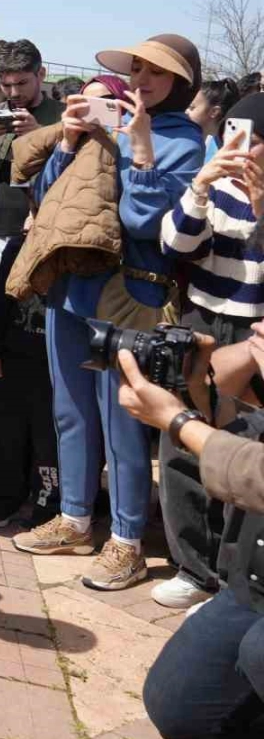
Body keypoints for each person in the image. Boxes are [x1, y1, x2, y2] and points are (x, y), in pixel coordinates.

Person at [12, 34, 203, 590]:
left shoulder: (185, 142)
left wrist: (140, 150)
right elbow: (50, 197)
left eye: (157, 73)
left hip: (131, 297)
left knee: (123, 424)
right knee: (70, 411)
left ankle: (127, 541)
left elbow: (146, 224)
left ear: (181, 83)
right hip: (70, 287)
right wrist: (69, 141)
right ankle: (75, 519)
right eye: (137, 70)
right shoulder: (107, 125)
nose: (142, 81)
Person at [113, 326, 264, 739]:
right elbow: (242, 421)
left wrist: (178, 422)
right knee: (179, 704)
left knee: (259, 652)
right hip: (255, 580)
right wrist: (196, 382)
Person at [152, 93, 264, 609]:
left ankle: (233, 579)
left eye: (253, 141)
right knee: (181, 437)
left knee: (243, 448)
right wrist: (200, 186)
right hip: (201, 320)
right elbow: (175, 246)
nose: (241, 150)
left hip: (255, 330)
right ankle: (193, 568)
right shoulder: (213, 183)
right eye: (233, 137)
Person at [0, 40, 65, 451]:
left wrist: (41, 137)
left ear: (41, 74)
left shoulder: (64, 119)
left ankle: (45, 422)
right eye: (6, 84)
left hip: (46, 242)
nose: (13, 93)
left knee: (41, 337)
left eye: (22, 83)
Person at [0, 223, 59, 528]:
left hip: (54, 360)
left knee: (47, 436)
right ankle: (6, 495)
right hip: (14, 353)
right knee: (9, 431)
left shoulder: (73, 252)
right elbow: (1, 301)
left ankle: (47, 500)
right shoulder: (16, 247)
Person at [188, 77, 241, 162]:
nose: (186, 112)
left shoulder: (223, 149)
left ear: (214, 112)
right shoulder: (191, 139)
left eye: (191, 108)